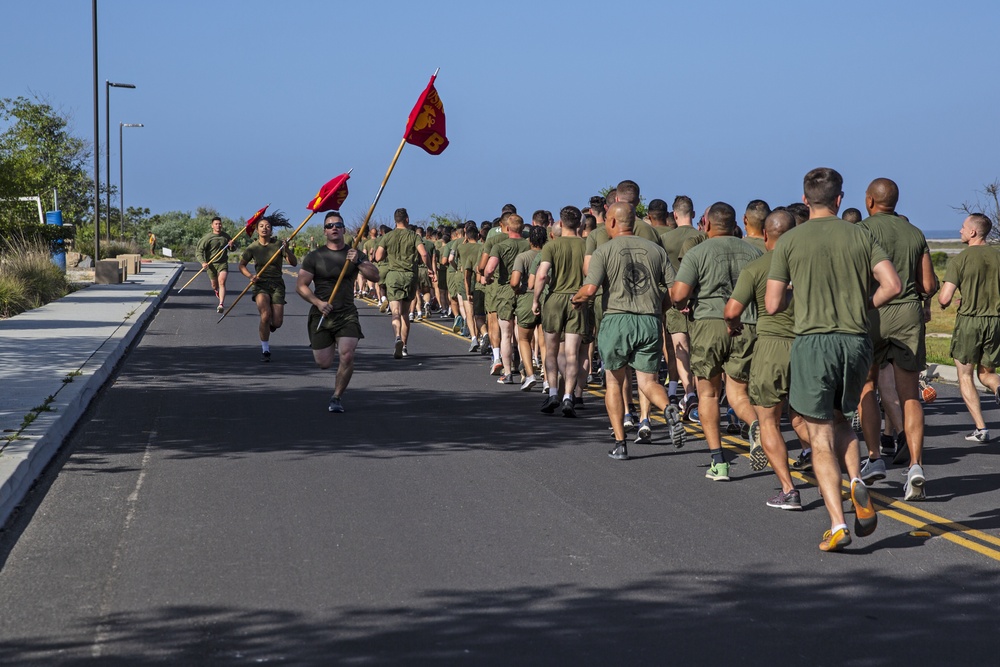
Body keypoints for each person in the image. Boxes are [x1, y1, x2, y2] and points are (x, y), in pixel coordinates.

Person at [766, 167, 901, 552]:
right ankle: (857, 480)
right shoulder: (861, 234)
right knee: (842, 418)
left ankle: (838, 523)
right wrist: (861, 307)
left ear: (805, 200)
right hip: (856, 342)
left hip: (814, 342)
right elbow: (892, 285)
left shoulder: (791, 239)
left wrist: (800, 294)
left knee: (819, 433)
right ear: (841, 199)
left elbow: (774, 303)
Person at [573, 202, 684, 459]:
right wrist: (660, 307)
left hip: (617, 319)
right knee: (648, 382)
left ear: (611, 222)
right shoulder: (656, 250)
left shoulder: (604, 250)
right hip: (649, 320)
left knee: (614, 381)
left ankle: (621, 445)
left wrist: (576, 300)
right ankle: (668, 408)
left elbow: (589, 290)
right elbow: (676, 292)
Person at [856, 178, 938, 501]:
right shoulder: (914, 233)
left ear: (869, 201)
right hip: (907, 314)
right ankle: (915, 466)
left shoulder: (861, 231)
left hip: (872, 311)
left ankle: (875, 457)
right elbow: (928, 284)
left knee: (868, 385)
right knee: (910, 394)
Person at [724, 209, 810, 509]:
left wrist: (733, 327)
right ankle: (829, 466)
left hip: (772, 346)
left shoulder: (757, 267)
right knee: (806, 417)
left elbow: (732, 310)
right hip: (809, 344)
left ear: (764, 235)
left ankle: (789, 490)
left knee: (769, 421)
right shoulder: (808, 265)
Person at [671, 201, 762, 482]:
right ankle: (757, 425)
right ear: (736, 223)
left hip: (709, 322)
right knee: (738, 393)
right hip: (747, 322)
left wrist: (684, 302)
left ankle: (719, 462)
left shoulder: (698, 252)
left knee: (708, 394)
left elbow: (678, 295)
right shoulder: (754, 251)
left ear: (707, 224)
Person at [296, 211, 380, 413]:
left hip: (347, 313)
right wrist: (317, 302)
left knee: (348, 355)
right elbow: (301, 285)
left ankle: (336, 397)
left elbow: (375, 276)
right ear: (325, 231)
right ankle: (331, 342)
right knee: (324, 362)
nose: (334, 228)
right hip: (322, 313)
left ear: (343, 230)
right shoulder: (315, 257)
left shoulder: (354, 254)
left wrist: (359, 262)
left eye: (338, 225)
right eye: (330, 225)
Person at [938, 213, 1000, 444]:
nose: (960, 230)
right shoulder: (997, 257)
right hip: (995, 321)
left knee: (965, 375)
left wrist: (945, 302)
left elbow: (944, 298)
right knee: (987, 374)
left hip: (969, 322)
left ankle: (981, 428)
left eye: (964, 227)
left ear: (973, 232)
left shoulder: (960, 260)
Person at [534, 205, 587, 417]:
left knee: (552, 350)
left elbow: (541, 275)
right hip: (577, 299)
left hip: (555, 299)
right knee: (572, 353)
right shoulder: (586, 245)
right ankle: (569, 396)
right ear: (580, 224)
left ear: (561, 223)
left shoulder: (551, 246)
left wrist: (536, 300)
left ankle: (553, 392)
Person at [374, 208, 432, 358]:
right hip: (410, 275)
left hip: (393, 275)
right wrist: (430, 268)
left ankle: (397, 337)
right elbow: (424, 253)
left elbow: (378, 256)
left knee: (395, 312)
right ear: (407, 219)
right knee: (406, 313)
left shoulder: (388, 236)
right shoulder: (414, 236)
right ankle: (405, 346)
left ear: (395, 220)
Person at [239, 213, 298, 362]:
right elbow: (242, 265)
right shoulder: (253, 247)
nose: (264, 228)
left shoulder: (278, 245)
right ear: (257, 230)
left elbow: (294, 263)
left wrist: (288, 249)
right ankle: (265, 350)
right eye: (261, 226)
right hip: (261, 285)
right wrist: (250, 276)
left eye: (267, 226)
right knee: (265, 315)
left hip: (277, 285)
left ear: (271, 230)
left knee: (277, 322)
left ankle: (270, 325)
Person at [485, 214, 530, 383]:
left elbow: (489, 269)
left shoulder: (500, 246)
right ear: (522, 227)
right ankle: (526, 368)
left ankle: (508, 372)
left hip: (504, 290)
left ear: (507, 228)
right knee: (522, 335)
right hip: (525, 289)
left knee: (506, 334)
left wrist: (488, 278)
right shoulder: (528, 245)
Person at [196, 216, 234, 313]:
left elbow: (233, 249)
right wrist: (203, 262)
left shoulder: (226, 236)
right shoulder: (207, 238)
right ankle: (216, 290)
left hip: (222, 263)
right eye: (216, 224)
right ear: (212, 226)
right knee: (214, 284)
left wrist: (232, 245)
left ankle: (221, 304)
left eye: (220, 224)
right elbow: (199, 252)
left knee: (222, 282)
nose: (218, 225)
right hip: (211, 264)